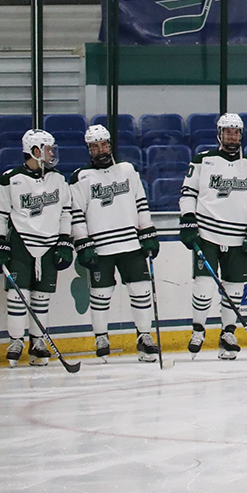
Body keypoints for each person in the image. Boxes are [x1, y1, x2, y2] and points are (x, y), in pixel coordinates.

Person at [179, 112, 247, 360]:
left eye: (236, 132)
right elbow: (187, 192)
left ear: (241, 135)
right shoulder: (203, 160)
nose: (232, 136)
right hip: (207, 232)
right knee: (204, 284)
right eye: (227, 131)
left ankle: (228, 333)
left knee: (235, 287)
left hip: (238, 236)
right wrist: (188, 219)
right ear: (219, 134)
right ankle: (198, 330)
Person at [67, 125, 158, 362]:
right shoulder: (80, 177)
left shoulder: (128, 170)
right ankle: (101, 337)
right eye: (95, 146)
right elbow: (76, 213)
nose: (100, 150)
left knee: (141, 291)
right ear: (89, 149)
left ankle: (144, 336)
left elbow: (141, 202)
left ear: (110, 145)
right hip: (100, 246)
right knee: (100, 293)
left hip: (131, 244)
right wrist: (82, 243)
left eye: (103, 144)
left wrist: (148, 232)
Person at [0, 129, 72, 365]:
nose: (52, 153)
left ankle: (38, 342)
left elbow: (66, 211)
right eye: (47, 148)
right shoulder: (11, 179)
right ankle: (16, 341)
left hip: (48, 244)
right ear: (35, 151)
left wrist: (65, 239)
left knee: (42, 297)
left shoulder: (58, 179)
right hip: (21, 243)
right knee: (18, 295)